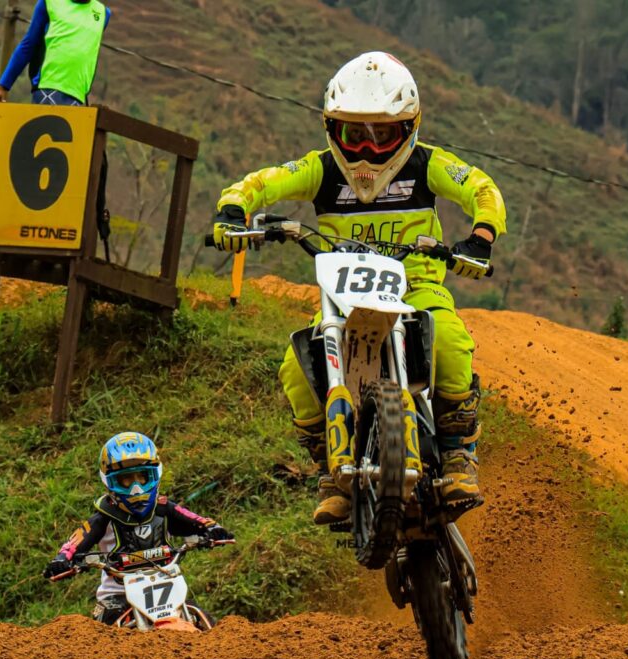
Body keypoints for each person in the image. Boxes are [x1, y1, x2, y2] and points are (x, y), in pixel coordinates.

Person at [212, 52, 507, 525]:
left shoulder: (428, 164)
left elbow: (480, 187)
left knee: (449, 341)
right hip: (342, 298)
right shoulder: (321, 169)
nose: (367, 151)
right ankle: (331, 473)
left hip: (415, 287)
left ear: (408, 129)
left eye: (382, 136)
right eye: (355, 135)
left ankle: (458, 453)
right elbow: (262, 183)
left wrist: (481, 236)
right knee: (296, 368)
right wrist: (233, 208)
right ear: (332, 129)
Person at [42, 432, 234, 625]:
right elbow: (76, 541)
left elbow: (197, 520)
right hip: (118, 594)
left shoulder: (163, 508)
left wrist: (213, 529)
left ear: (154, 475)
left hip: (166, 584)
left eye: (142, 477)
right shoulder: (103, 517)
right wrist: (62, 559)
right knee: (106, 623)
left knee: (200, 617)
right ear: (110, 481)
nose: (136, 488)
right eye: (126, 480)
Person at [0, 0, 112, 253]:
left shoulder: (102, 14)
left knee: (74, 169)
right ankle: (28, 234)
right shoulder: (50, 3)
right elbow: (29, 44)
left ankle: (65, 237)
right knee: (42, 158)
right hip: (48, 89)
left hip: (78, 99)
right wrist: (4, 84)